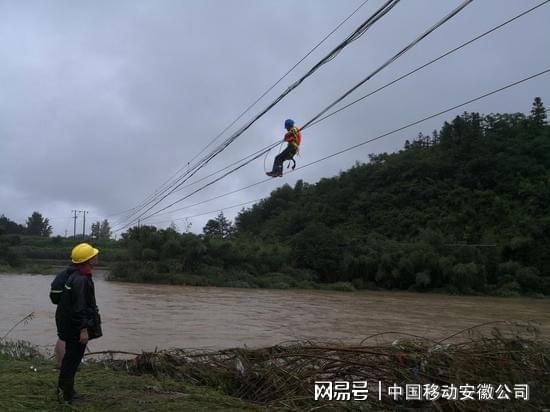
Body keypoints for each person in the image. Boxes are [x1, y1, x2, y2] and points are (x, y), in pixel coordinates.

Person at [55, 242, 103, 403]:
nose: (97, 256)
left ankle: (66, 391)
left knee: (70, 359)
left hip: (68, 324)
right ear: (89, 260)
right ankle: (68, 395)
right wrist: (84, 329)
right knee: (72, 360)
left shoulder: (76, 275)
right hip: (75, 327)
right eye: (94, 255)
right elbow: (80, 306)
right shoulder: (81, 279)